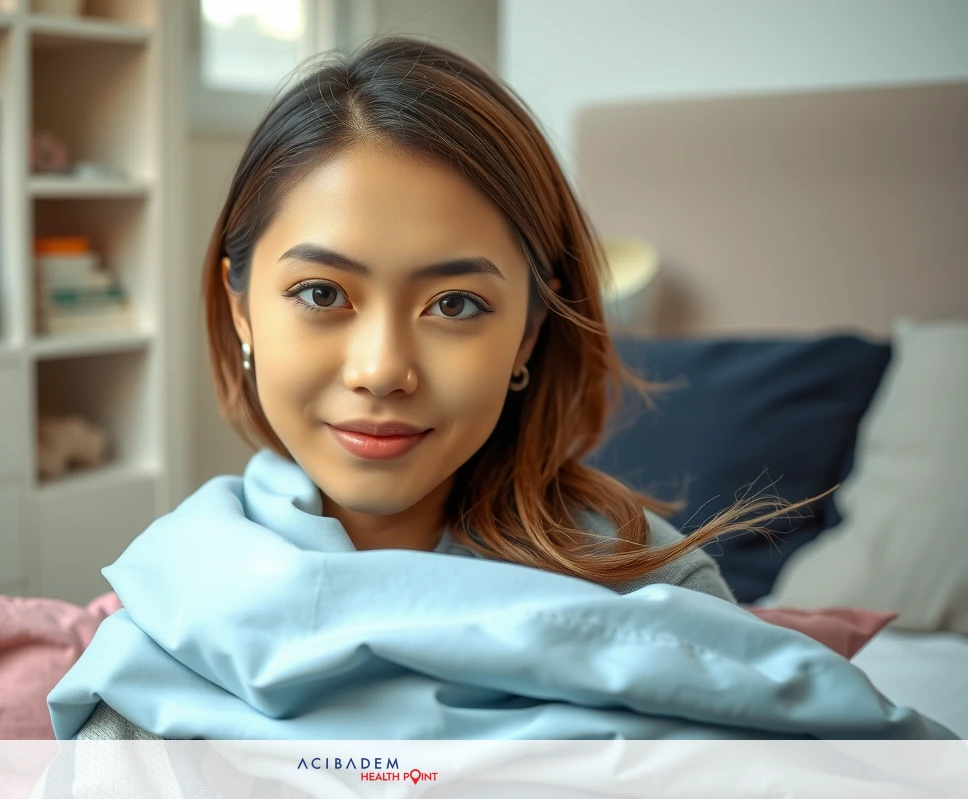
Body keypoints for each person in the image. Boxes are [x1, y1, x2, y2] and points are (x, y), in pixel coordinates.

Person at [65, 35, 822, 741]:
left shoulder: (652, 592)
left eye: (455, 305)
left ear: (527, 332)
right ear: (243, 313)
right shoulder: (173, 613)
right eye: (323, 294)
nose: (383, 370)